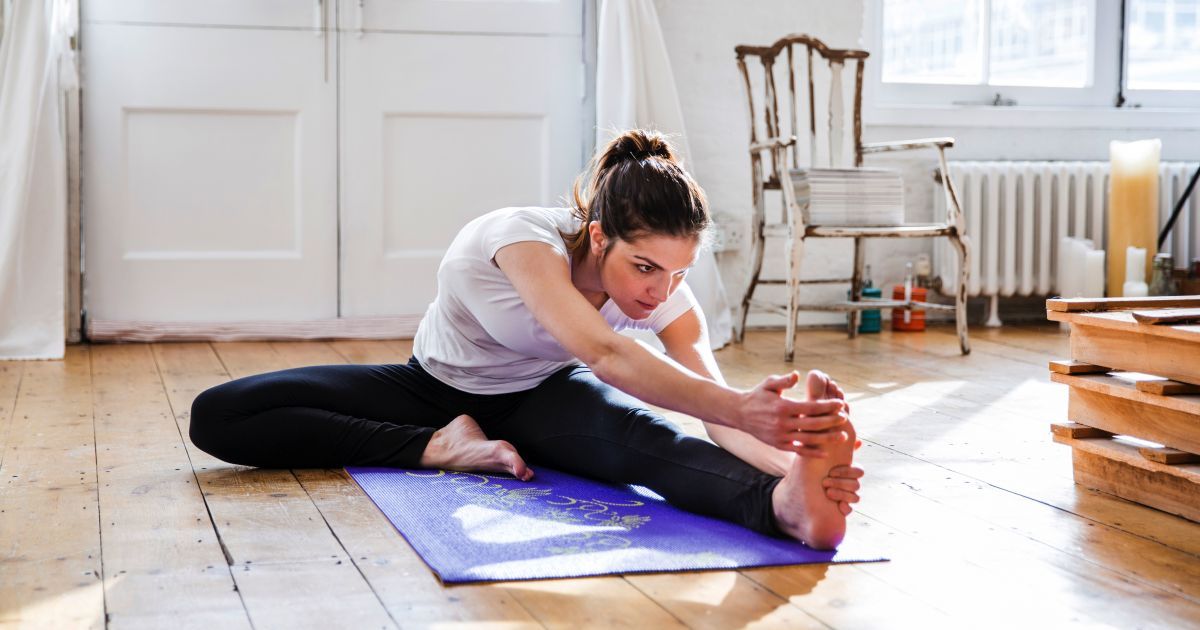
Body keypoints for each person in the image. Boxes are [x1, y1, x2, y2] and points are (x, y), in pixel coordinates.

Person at [189, 129, 863, 549]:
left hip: (543, 397)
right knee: (220, 415)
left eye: (678, 273)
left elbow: (713, 411)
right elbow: (605, 352)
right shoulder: (520, 239)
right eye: (645, 268)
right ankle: (437, 446)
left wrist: (795, 466)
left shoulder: (666, 293)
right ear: (598, 236)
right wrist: (743, 406)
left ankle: (783, 511)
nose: (661, 292)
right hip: (430, 389)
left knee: (650, 445)